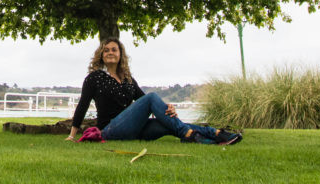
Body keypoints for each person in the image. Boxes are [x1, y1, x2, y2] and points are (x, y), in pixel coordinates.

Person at [66, 37, 242, 145]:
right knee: (153, 99)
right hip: (111, 129)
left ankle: (215, 136)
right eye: (106, 50)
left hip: (134, 130)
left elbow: (145, 103)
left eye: (114, 49)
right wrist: (72, 135)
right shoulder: (95, 77)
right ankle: (191, 134)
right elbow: (82, 105)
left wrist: (167, 109)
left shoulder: (128, 79)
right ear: (101, 55)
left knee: (168, 124)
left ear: (120, 55)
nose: (110, 52)